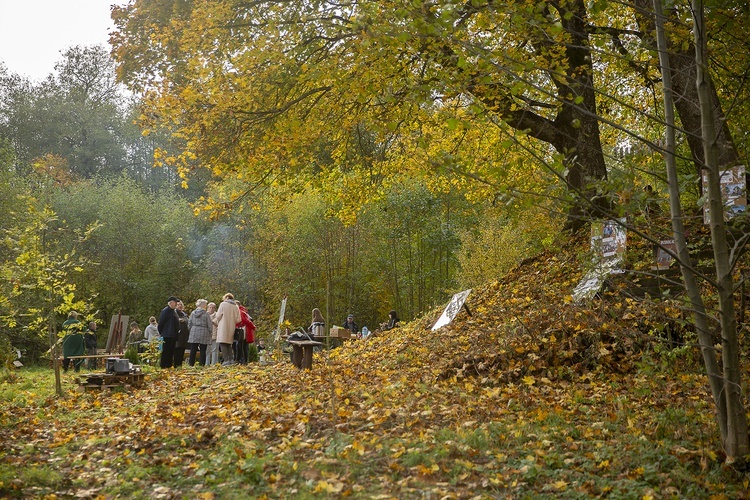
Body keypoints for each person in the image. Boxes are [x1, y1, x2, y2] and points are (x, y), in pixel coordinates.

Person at [214, 293, 241, 366]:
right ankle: (231, 359)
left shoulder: (223, 304)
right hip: (231, 327)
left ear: (226, 298)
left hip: (223, 326)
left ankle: (226, 360)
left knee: (222, 343)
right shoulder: (236, 306)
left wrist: (215, 320)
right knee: (229, 344)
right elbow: (239, 320)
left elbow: (218, 315)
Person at [188, 299, 213, 367]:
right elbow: (209, 324)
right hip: (204, 331)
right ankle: (201, 364)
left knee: (193, 349)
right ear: (203, 305)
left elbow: (189, 323)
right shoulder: (206, 313)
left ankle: (191, 364)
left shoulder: (193, 313)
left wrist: (190, 331)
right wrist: (211, 332)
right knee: (203, 349)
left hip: (194, 330)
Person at [158, 296, 180, 369]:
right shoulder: (166, 311)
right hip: (167, 334)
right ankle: (163, 366)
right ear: (170, 303)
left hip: (173, 334)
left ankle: (169, 365)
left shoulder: (173, 311)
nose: (176, 304)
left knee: (171, 352)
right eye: (175, 302)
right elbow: (161, 323)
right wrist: (162, 332)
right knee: (166, 351)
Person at [175, 300, 190, 366]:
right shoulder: (175, 313)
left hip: (185, 335)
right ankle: (176, 365)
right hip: (178, 335)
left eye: (181, 304)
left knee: (182, 350)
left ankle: (179, 365)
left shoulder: (184, 314)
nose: (180, 306)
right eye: (178, 304)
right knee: (177, 350)